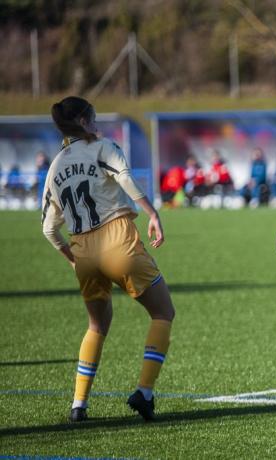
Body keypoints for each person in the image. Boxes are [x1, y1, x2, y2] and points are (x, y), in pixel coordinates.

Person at [41, 96, 176, 422]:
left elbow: (48, 228)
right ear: (85, 122)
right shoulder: (103, 147)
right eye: (94, 118)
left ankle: (78, 405)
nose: (97, 123)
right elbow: (126, 177)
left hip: (84, 251)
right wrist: (152, 213)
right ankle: (144, 393)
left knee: (97, 326)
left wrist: (72, 259)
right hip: (116, 238)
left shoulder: (55, 166)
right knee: (162, 312)